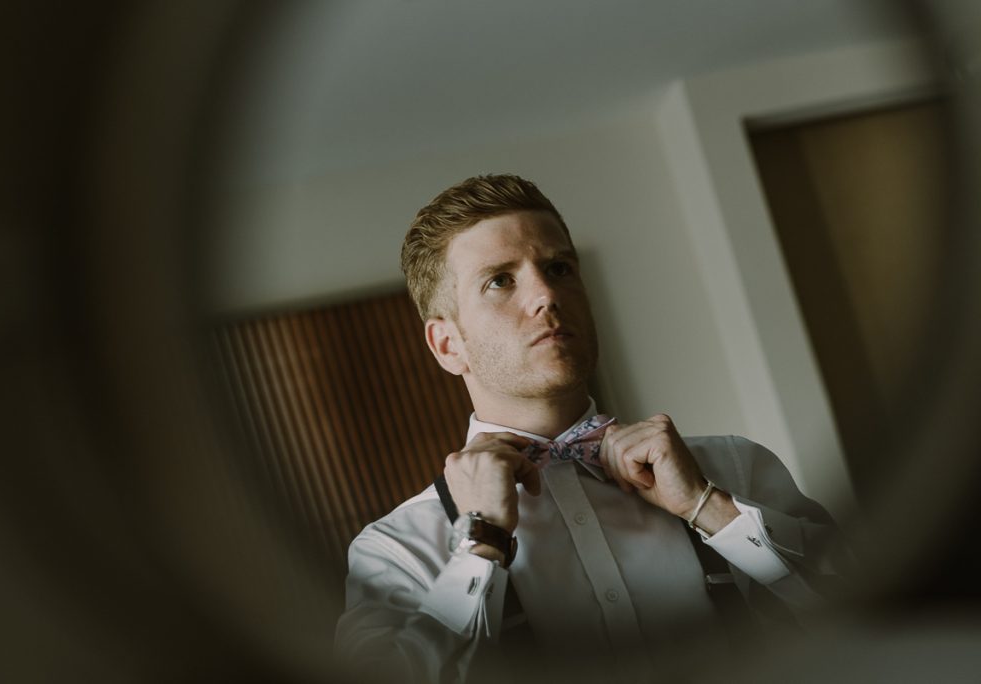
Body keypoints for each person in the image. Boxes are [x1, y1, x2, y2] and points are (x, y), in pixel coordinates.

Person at [334, 174, 848, 683]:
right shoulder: (398, 548)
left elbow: (867, 610)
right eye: (500, 281)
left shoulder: (734, 467)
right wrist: (481, 544)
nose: (546, 295)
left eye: (558, 268)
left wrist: (707, 506)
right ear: (448, 346)